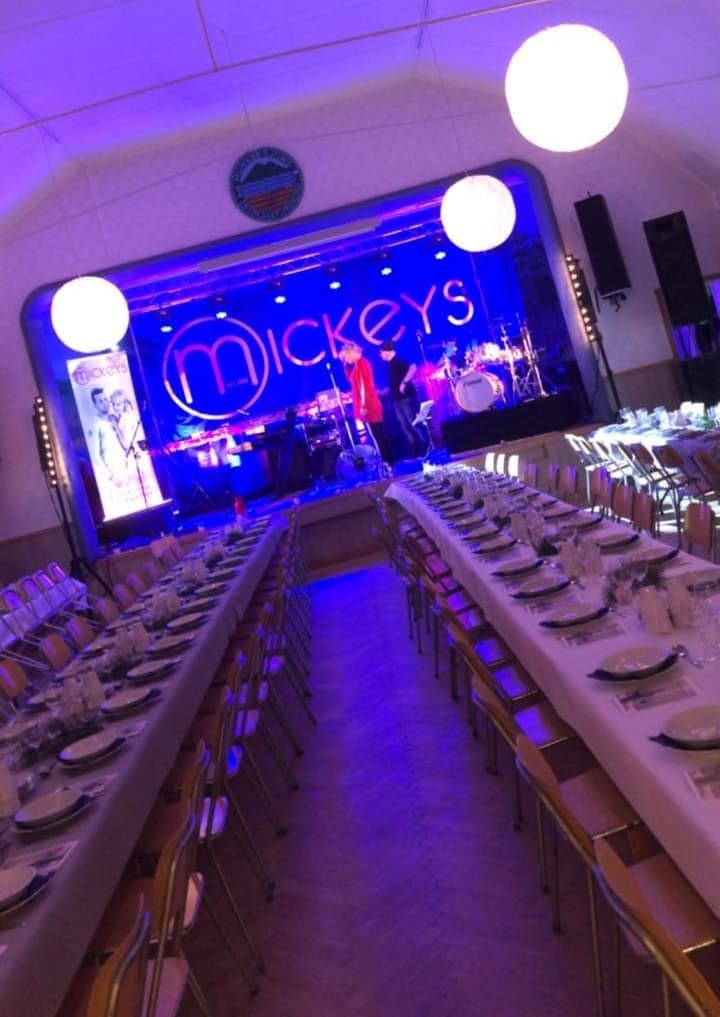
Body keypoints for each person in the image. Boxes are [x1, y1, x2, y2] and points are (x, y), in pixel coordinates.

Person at [338, 342, 390, 462]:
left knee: (378, 435)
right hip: (368, 405)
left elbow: (364, 386)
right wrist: (345, 364)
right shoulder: (358, 365)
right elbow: (351, 379)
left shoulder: (362, 363)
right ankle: (386, 460)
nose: (346, 359)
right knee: (377, 435)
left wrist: (363, 405)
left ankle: (387, 460)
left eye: (346, 356)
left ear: (351, 353)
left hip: (369, 406)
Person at [379, 340, 427, 455]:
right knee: (405, 425)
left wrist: (404, 383)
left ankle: (426, 445)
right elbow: (394, 381)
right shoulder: (389, 365)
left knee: (414, 423)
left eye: (381, 352)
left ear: (387, 351)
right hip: (397, 399)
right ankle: (415, 448)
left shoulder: (399, 360)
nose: (380, 355)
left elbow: (413, 367)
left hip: (406, 397)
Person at [91, 387, 127, 488]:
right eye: (100, 401)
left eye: (105, 399)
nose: (104, 403)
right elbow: (96, 454)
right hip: (112, 469)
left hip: (125, 463)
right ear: (95, 405)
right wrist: (109, 474)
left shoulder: (115, 418)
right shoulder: (96, 424)